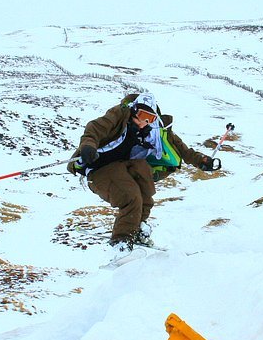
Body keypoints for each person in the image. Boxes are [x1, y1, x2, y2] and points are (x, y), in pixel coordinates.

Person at [68, 93, 221, 252]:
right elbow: (96, 128)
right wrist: (88, 146)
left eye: (150, 118)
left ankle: (138, 228)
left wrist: (202, 161)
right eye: (142, 115)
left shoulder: (156, 130)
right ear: (134, 110)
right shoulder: (119, 115)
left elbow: (182, 149)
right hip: (100, 167)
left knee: (145, 190)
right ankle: (121, 243)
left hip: (125, 166)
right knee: (131, 197)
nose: (144, 122)